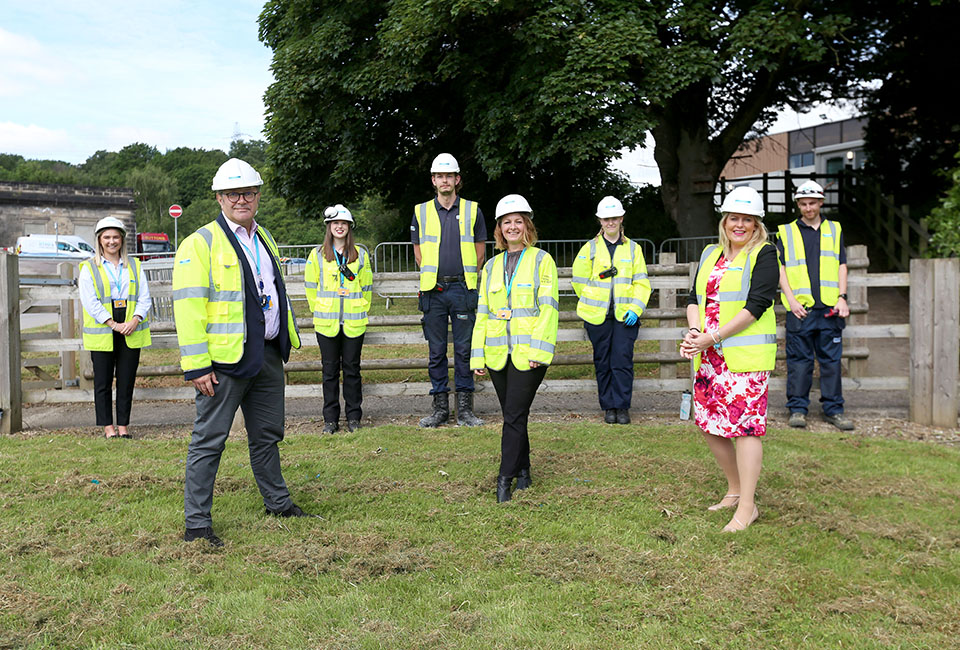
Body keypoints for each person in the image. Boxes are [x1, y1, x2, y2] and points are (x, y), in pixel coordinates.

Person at [173, 158, 308, 547]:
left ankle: (278, 503)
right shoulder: (199, 243)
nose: (241, 199)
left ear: (258, 196)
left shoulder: (264, 236)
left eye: (248, 192)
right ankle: (197, 524)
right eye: (233, 193)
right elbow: (188, 307)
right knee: (209, 440)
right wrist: (198, 365)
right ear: (219, 198)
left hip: (265, 354)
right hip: (222, 364)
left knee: (267, 435)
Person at [680, 186, 778, 532]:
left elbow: (757, 305)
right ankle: (734, 490)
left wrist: (713, 336)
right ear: (725, 221)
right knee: (708, 424)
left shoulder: (764, 254)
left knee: (746, 428)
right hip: (709, 355)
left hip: (745, 356)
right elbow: (695, 297)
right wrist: (695, 332)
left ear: (756, 224)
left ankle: (748, 507)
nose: (739, 225)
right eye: (734, 218)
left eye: (747, 220)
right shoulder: (711, 253)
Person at [471, 194, 559, 503]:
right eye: (506, 222)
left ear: (527, 226)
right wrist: (477, 356)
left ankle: (504, 479)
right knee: (514, 415)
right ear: (499, 229)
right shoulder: (492, 266)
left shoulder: (542, 260)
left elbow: (548, 309)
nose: (512, 227)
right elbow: (482, 312)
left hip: (529, 353)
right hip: (497, 353)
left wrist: (538, 350)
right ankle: (524, 471)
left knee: (513, 416)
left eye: (518, 221)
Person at [412, 153, 487, 428]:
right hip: (433, 290)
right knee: (436, 351)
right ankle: (440, 409)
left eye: (449, 176)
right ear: (434, 180)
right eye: (440, 176)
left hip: (462, 288)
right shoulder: (420, 211)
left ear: (457, 180)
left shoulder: (473, 210)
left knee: (465, 351)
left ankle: (465, 411)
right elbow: (418, 253)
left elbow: (480, 252)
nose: (445, 181)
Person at [777, 180, 854, 431]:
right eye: (803, 204)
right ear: (797, 204)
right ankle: (797, 410)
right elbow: (782, 269)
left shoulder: (835, 229)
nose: (808, 208)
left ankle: (834, 410)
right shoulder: (786, 232)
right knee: (799, 362)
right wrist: (790, 300)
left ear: (821, 202)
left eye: (812, 203)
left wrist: (842, 297)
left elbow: (842, 264)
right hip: (801, 309)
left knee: (831, 362)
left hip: (830, 308)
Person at [572, 196, 652, 425]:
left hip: (625, 317)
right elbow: (579, 281)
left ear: (621, 218)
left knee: (622, 361)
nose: (610, 222)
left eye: (614, 218)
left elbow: (642, 282)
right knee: (603, 362)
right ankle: (609, 407)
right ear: (600, 220)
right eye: (606, 218)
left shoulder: (633, 249)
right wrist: (593, 299)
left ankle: (622, 407)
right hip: (598, 317)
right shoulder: (590, 249)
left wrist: (636, 308)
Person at [78, 216, 152, 439]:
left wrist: (135, 320)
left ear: (122, 239)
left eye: (116, 237)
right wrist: (113, 324)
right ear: (100, 240)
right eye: (107, 237)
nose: (112, 241)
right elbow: (90, 302)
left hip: (130, 326)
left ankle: (123, 427)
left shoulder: (135, 266)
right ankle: (108, 428)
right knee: (102, 382)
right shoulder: (89, 268)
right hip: (104, 327)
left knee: (126, 380)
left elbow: (144, 297)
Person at [304, 204, 373, 434]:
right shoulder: (317, 255)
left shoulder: (360, 255)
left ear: (349, 227)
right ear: (329, 227)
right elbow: (311, 287)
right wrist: (319, 309)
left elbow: (367, 287)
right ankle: (330, 420)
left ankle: (354, 417)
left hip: (353, 323)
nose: (339, 227)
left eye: (343, 223)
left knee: (353, 371)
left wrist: (362, 306)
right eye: (335, 223)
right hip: (327, 324)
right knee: (329, 372)